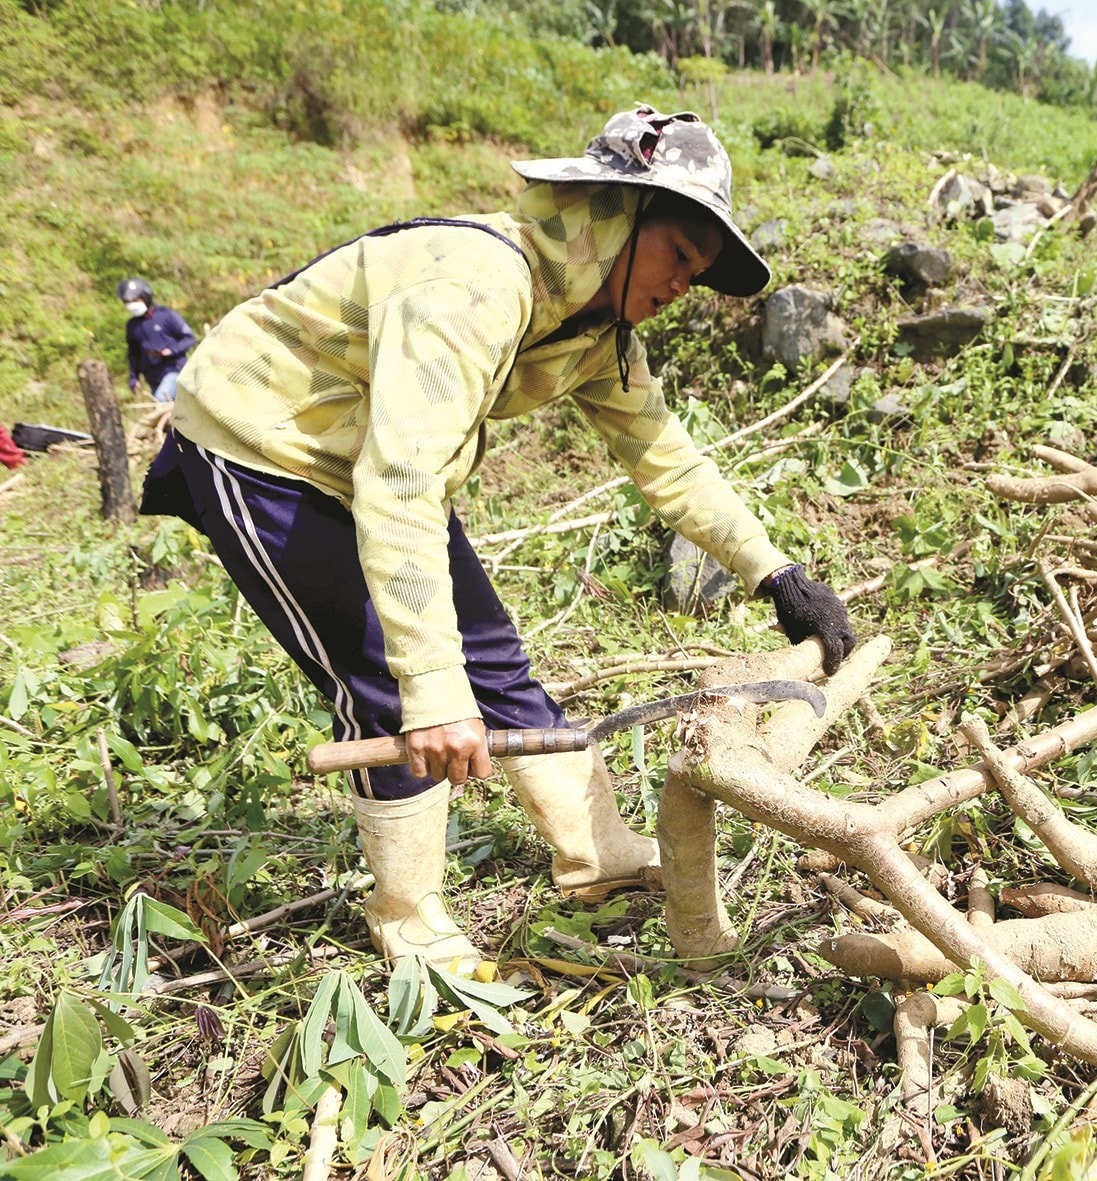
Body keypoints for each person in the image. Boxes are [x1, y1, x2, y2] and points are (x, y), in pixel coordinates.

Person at [139, 106, 858, 972]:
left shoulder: (596, 327)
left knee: (491, 654)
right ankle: (411, 924)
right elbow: (399, 482)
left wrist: (774, 572)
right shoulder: (477, 284)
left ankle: (593, 847)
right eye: (677, 254)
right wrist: (437, 695)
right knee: (387, 679)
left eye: (698, 274)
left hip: (382, 454)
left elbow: (664, 456)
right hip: (265, 444)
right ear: (615, 212)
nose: (681, 287)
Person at [118, 278, 197, 403]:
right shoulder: (132, 326)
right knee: (170, 415)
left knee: (162, 399)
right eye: (127, 302)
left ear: (145, 298)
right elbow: (133, 354)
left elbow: (189, 338)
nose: (131, 305)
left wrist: (171, 351)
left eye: (135, 300)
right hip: (152, 377)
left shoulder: (166, 315)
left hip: (174, 371)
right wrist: (134, 378)